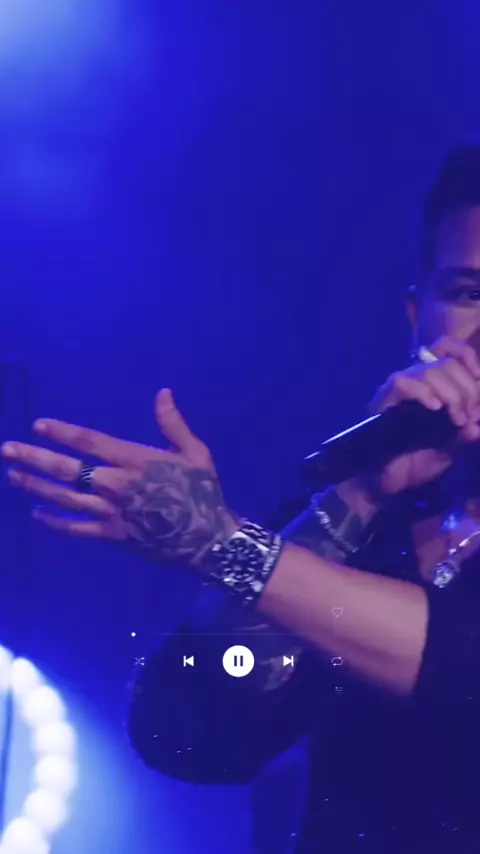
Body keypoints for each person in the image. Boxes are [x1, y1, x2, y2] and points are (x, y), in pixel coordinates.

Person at [4, 141, 480, 853]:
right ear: (419, 317)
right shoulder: (373, 512)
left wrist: (222, 545)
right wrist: (355, 495)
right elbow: (187, 734)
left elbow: (458, 668)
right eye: (470, 294)